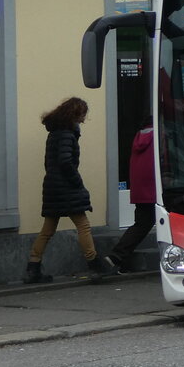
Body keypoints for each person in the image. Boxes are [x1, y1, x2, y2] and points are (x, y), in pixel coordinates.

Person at [24, 97, 113, 283]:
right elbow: (66, 162)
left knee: (47, 229)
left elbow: (51, 162)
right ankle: (95, 264)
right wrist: (77, 181)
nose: (83, 119)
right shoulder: (66, 134)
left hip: (52, 186)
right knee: (83, 225)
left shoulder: (55, 133)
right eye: (82, 115)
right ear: (75, 114)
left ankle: (33, 267)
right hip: (65, 186)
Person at [105, 117, 157, 272]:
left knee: (141, 224)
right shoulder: (159, 137)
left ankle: (117, 256)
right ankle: (117, 256)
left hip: (141, 190)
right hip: (155, 190)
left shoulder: (140, 136)